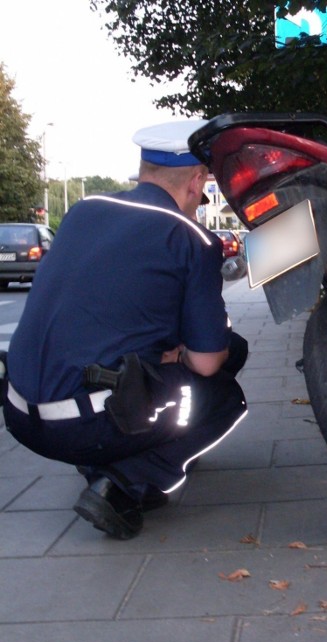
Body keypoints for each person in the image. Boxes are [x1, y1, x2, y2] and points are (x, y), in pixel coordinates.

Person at [2, 119, 248, 540]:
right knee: (223, 396)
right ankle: (122, 484)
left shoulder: (84, 212)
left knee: (235, 349)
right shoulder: (191, 238)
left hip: (19, 413)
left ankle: (101, 454)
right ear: (196, 182)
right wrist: (182, 355)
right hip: (81, 423)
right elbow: (207, 364)